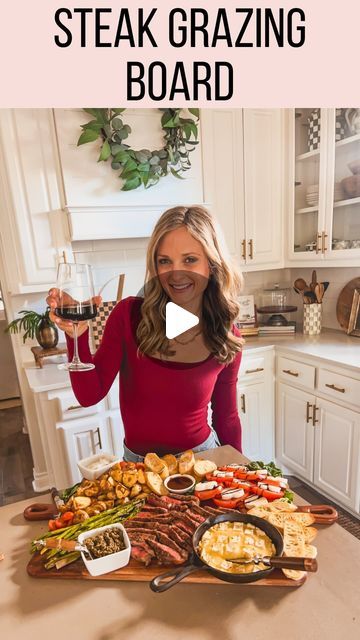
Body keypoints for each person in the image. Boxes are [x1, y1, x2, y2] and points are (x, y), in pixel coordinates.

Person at [47, 206, 244, 462]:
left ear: (212, 264)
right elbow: (89, 395)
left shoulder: (225, 335)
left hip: (201, 462)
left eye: (190, 259)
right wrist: (76, 335)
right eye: (165, 261)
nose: (176, 273)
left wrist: (243, 473)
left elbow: (226, 417)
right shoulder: (129, 316)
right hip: (139, 469)